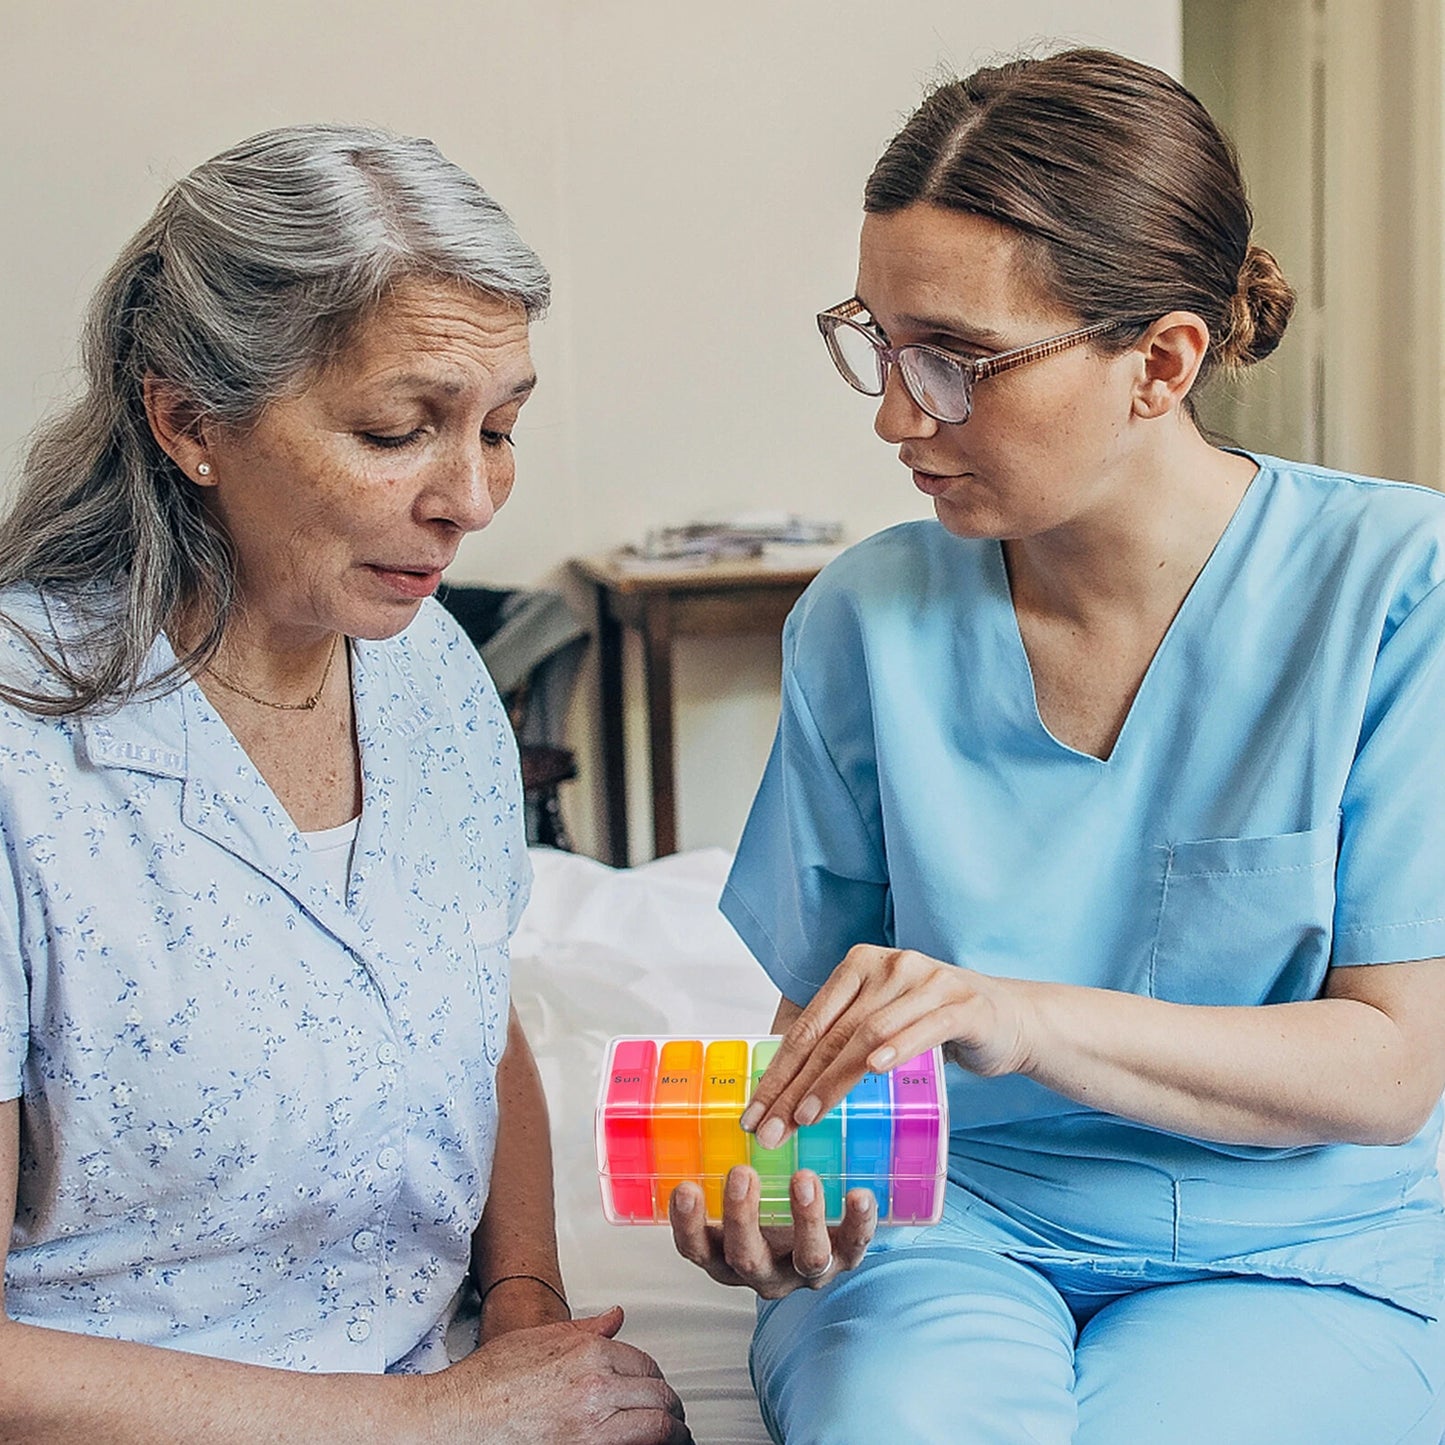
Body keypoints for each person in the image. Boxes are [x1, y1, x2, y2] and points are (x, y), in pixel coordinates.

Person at [668, 48, 1445, 1444]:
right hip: (943, 1225)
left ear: (1159, 362)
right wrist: (780, 1185)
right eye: (879, 341)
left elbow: (1389, 1068)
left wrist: (1011, 1012)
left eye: (957, 362)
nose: (897, 413)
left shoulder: (1397, 587)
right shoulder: (865, 618)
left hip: (1296, 1247)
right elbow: (823, 1021)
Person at [0, 124, 689, 1444]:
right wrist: (429, 1423)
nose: (473, 497)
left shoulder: (431, 673)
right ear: (190, 420)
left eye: (500, 429)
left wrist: (527, 1308)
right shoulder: (24, 752)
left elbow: (471, 1016)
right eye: (395, 431)